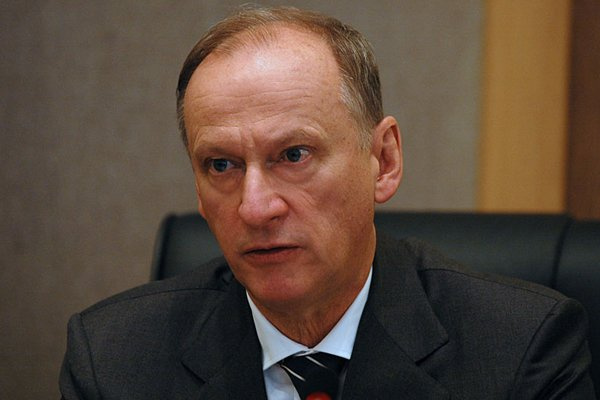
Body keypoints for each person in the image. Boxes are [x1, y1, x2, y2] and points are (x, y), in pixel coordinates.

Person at [60, 6, 595, 399]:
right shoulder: (113, 359)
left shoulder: (522, 349)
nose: (255, 208)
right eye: (221, 165)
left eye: (293, 155)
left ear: (383, 160)